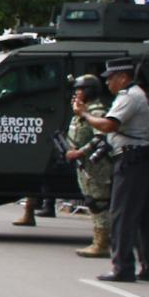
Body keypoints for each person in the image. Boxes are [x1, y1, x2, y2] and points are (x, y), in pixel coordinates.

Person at [75, 58, 149, 283]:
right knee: (144, 218)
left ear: (123, 77)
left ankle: (123, 268)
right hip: (142, 159)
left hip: (133, 160)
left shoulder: (129, 96)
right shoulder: (136, 94)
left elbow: (109, 125)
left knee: (121, 216)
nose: (108, 83)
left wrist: (84, 114)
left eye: (111, 78)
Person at [65, 74, 113, 259]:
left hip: (97, 165)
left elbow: (100, 137)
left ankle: (101, 243)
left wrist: (80, 152)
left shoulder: (96, 111)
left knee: (98, 202)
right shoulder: (82, 109)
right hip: (85, 165)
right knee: (91, 200)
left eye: (80, 89)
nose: (77, 93)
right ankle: (98, 239)